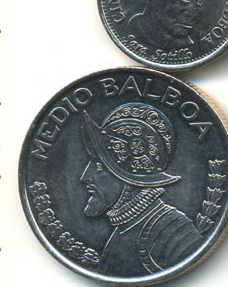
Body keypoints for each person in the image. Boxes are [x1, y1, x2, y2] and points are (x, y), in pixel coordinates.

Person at [79, 102, 201, 276]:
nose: (85, 177)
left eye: (98, 166)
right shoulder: (125, 226)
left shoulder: (175, 232)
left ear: (128, 177)